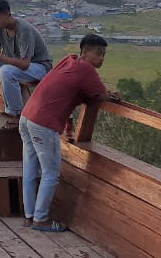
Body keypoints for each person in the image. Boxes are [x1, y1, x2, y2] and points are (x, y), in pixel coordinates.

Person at [19, 34, 117, 232]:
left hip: (27, 116)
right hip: (43, 124)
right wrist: (112, 96)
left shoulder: (69, 60)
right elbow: (102, 95)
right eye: (98, 54)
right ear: (85, 52)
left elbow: (75, 89)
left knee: (30, 168)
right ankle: (41, 219)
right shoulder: (86, 69)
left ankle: (29, 216)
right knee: (51, 173)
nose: (101, 59)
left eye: (104, 55)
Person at [0, 0, 54, 130]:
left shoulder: (24, 30)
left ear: (8, 14)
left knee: (6, 71)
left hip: (38, 67)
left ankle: (16, 114)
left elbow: (25, 64)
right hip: (13, 65)